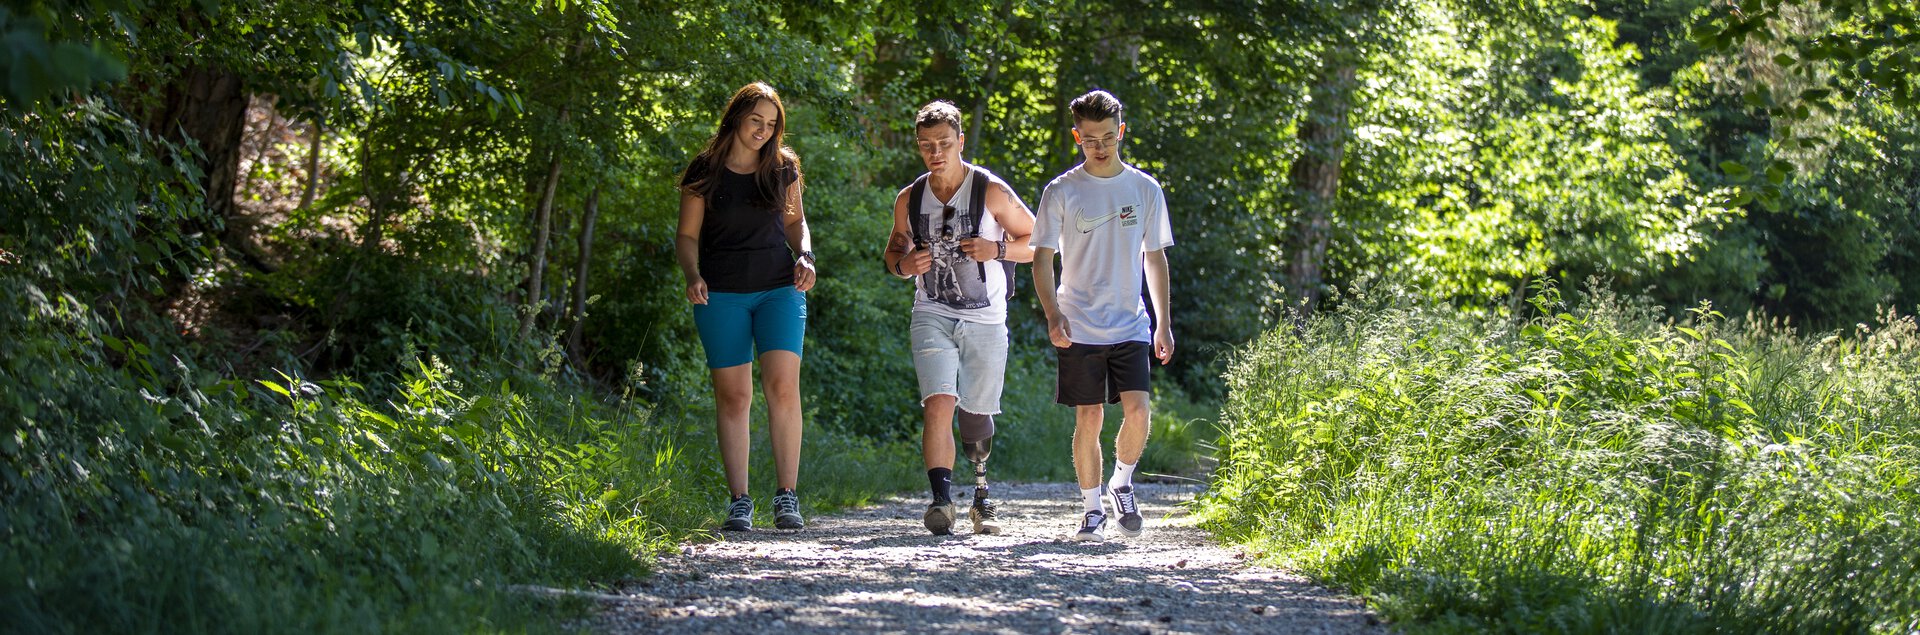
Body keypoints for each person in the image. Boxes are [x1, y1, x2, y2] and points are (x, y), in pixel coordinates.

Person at [882, 101, 1036, 535]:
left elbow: (1041, 241)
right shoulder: (908, 199)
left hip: (986, 316)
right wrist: (904, 266)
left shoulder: (989, 191)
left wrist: (997, 250)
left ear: (961, 142)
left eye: (944, 144)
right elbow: (893, 251)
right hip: (931, 311)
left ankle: (982, 493)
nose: (936, 153)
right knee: (938, 402)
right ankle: (941, 501)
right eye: (927, 145)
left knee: (975, 415)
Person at [1030, 89, 1175, 542]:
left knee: (1139, 411)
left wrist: (1163, 322)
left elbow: (1155, 259)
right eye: (1090, 139)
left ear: (1121, 133)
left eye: (1108, 137)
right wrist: (1053, 314)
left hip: (1130, 322)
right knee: (1088, 419)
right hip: (1078, 322)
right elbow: (1041, 258)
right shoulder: (1062, 191)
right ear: (1077, 136)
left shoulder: (1145, 189)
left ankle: (1122, 482)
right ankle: (1092, 508)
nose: (1100, 146)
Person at [675, 82, 816, 532]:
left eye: (771, 123)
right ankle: (740, 500)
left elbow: (796, 223)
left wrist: (806, 256)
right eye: (756, 120)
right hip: (721, 295)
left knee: (782, 387)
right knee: (734, 397)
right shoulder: (704, 170)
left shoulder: (783, 168)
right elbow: (686, 236)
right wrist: (692, 275)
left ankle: (787, 497)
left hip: (780, 289)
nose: (762, 130)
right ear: (736, 116)